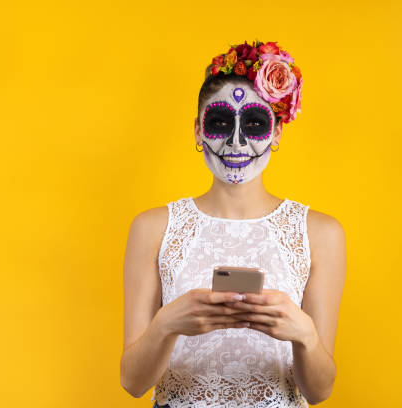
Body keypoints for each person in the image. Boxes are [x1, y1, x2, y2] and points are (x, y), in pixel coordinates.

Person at [120, 40, 346, 408]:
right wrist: (167, 324)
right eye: (220, 122)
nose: (236, 141)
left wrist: (304, 334)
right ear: (197, 131)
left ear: (276, 133)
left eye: (254, 124)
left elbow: (319, 392)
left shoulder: (320, 233)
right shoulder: (152, 228)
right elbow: (132, 382)